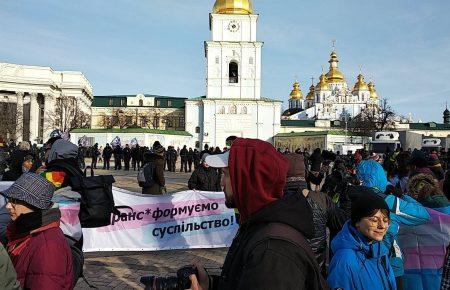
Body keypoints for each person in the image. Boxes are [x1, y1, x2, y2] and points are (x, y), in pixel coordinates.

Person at [189, 138, 327, 290]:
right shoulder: (256, 224)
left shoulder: (272, 251)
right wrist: (211, 284)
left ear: (248, 181)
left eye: (227, 175)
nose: (222, 182)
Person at [356, 159, 430, 290]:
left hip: (357, 263)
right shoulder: (388, 201)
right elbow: (423, 215)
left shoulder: (349, 197)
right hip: (389, 265)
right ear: (380, 176)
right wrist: (401, 195)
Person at [2, 173, 73, 288]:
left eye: (14, 201)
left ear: (34, 204)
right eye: (8, 200)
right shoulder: (26, 231)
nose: (8, 206)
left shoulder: (48, 246)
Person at [327, 194, 397, 290]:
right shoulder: (345, 260)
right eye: (374, 220)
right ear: (357, 222)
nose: (382, 225)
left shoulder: (382, 253)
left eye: (385, 220)